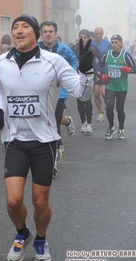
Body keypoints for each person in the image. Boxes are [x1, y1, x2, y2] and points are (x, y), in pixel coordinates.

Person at [0, 14, 94, 261]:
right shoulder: (0, 63)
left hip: (44, 140)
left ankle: (40, 238)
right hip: (14, 139)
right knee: (13, 200)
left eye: (25, 26)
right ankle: (22, 233)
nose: (19, 31)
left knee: (40, 201)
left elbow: (81, 92)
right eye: (15, 27)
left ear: (35, 33)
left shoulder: (53, 61)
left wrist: (88, 73)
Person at [38, 20, 77, 175]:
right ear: (41, 34)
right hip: (39, 93)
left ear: (55, 34)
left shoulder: (64, 50)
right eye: (45, 32)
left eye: (51, 31)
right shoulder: (35, 49)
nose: (48, 34)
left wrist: (69, 75)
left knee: (54, 124)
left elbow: (73, 62)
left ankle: (52, 158)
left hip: (59, 93)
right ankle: (54, 146)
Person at [100, 34, 136, 140]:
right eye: (112, 42)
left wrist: (129, 70)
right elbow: (101, 66)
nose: (114, 44)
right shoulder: (106, 55)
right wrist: (103, 74)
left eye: (116, 42)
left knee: (119, 109)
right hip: (110, 86)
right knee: (109, 107)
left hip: (122, 87)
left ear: (121, 44)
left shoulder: (125, 55)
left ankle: (121, 129)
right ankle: (111, 127)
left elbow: (135, 69)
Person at [71, 29, 102, 134]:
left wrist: (98, 73)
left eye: (85, 38)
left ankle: (89, 123)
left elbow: (100, 61)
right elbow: (70, 62)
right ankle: (83, 122)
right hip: (77, 77)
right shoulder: (74, 48)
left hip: (89, 76)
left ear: (89, 38)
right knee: (79, 100)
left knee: (87, 100)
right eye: (81, 38)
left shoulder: (93, 48)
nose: (82, 40)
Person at [93, 27, 112, 121]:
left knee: (103, 92)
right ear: (94, 34)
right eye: (96, 33)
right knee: (96, 93)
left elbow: (111, 56)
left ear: (102, 34)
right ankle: (100, 112)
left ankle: (105, 100)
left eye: (99, 34)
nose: (98, 35)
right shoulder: (91, 44)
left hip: (105, 71)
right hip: (95, 71)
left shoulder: (108, 44)